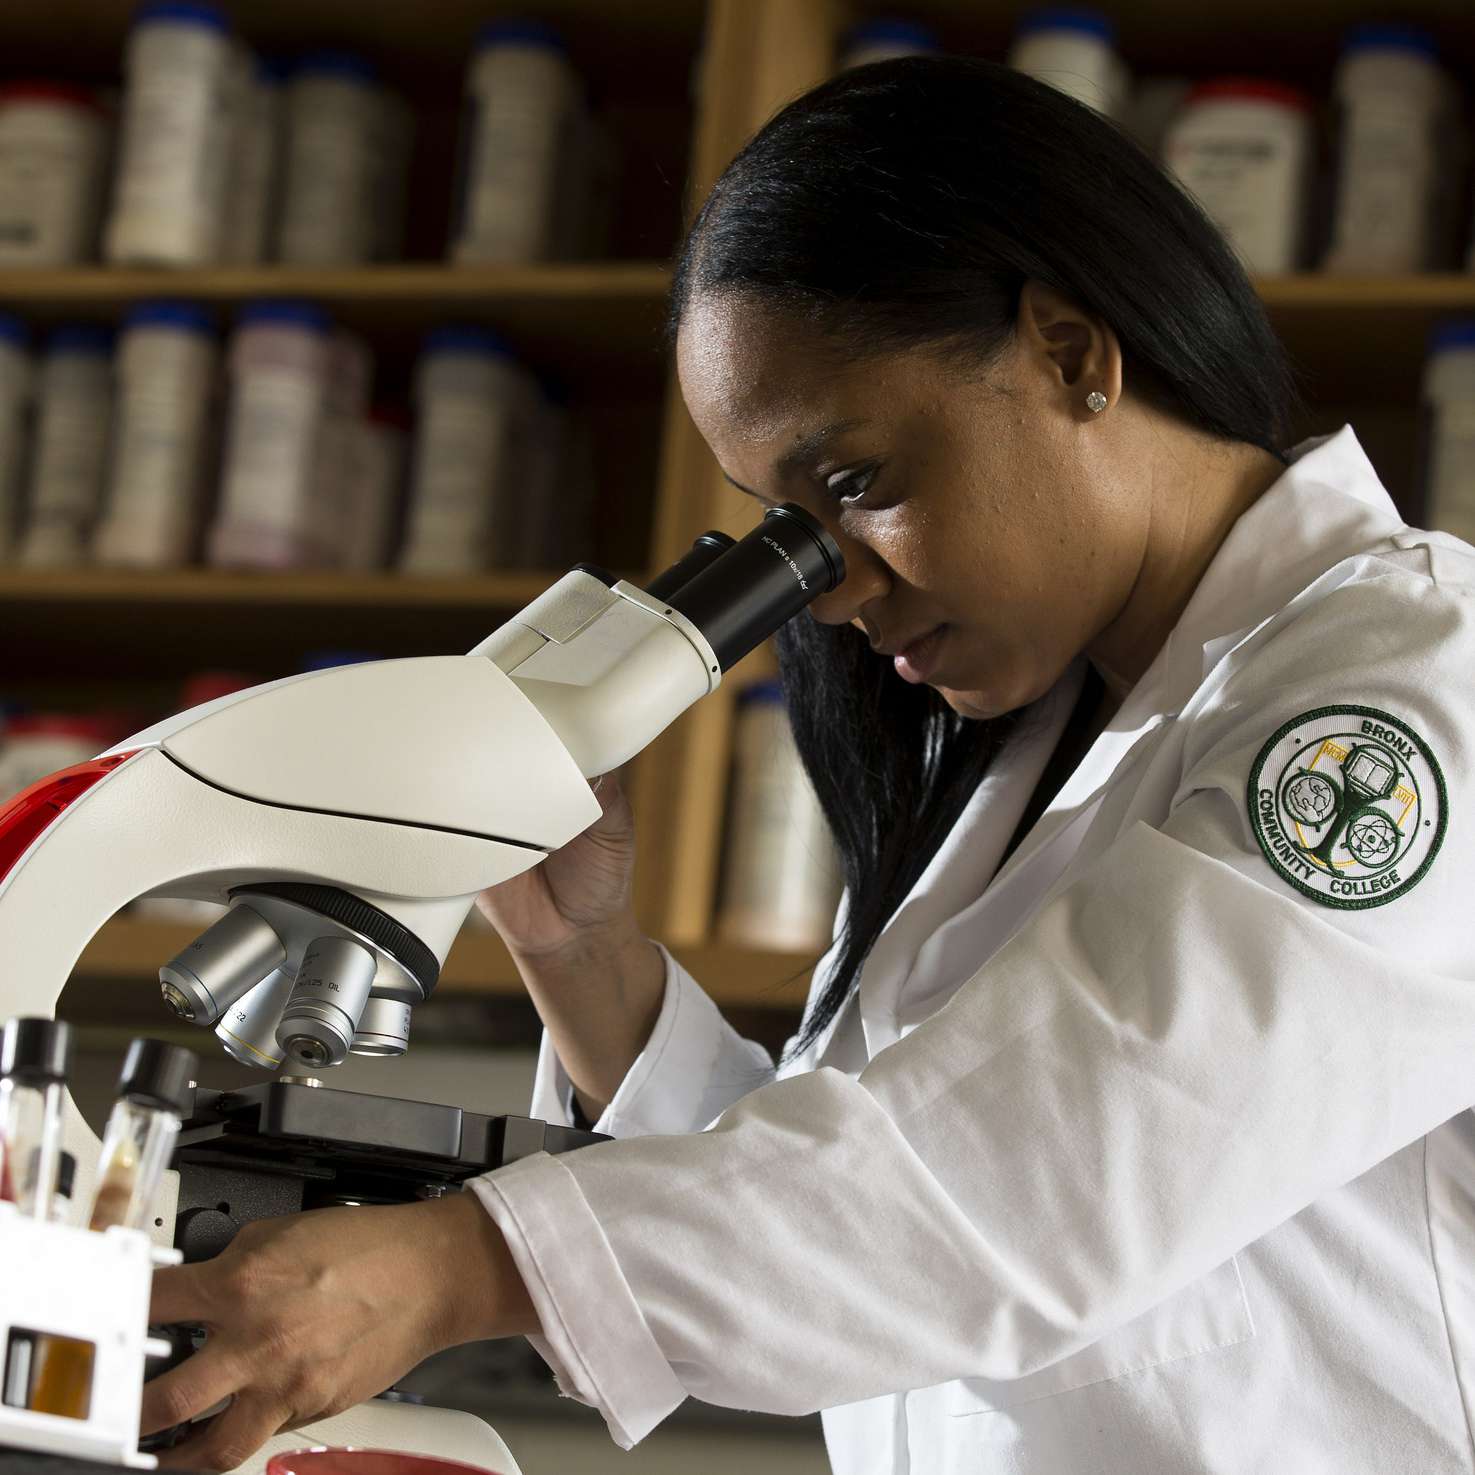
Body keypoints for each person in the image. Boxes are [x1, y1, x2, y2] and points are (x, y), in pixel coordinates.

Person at [142, 57, 1475, 1474]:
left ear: (1073, 354)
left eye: (856, 485)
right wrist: (581, 951)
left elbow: (1029, 1184)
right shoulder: (1020, 748)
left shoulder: (1402, 697)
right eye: (788, 529)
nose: (832, 595)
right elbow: (835, 1204)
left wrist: (461, 1264)